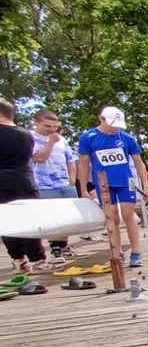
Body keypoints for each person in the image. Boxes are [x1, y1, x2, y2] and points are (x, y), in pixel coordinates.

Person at [76, 106, 148, 267]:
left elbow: (139, 163)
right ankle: (116, 253)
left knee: (128, 215)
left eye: (117, 125)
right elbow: (83, 164)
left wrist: (145, 186)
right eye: (112, 124)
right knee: (112, 218)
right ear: (101, 119)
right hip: (103, 184)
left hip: (125, 182)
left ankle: (135, 251)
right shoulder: (88, 137)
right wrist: (82, 188)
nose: (114, 128)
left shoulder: (127, 138)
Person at [0, 98, 50, 272]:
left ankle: (18, 258)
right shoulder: (26, 134)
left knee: (7, 222)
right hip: (25, 181)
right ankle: (38, 259)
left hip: (2, 184)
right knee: (31, 220)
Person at [29, 108, 80, 263]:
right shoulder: (30, 138)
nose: (52, 130)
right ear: (36, 122)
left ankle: (63, 245)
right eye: (47, 126)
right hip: (43, 185)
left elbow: (70, 160)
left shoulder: (62, 140)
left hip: (64, 184)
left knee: (67, 219)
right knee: (52, 219)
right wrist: (50, 142)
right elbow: (39, 158)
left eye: (54, 127)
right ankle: (55, 249)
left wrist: (72, 179)